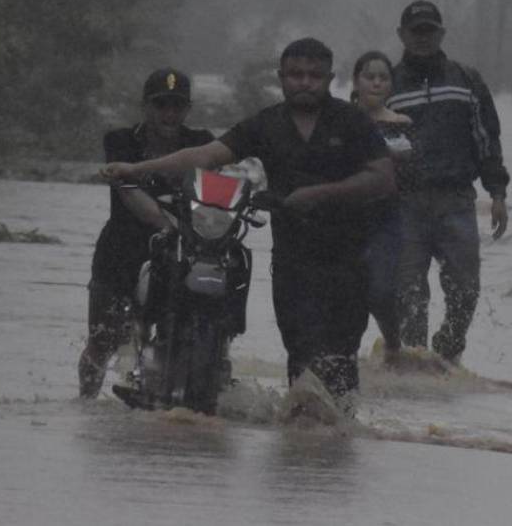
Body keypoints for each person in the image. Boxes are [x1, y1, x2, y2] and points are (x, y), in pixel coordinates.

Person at [102, 38, 395, 398]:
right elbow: (206, 156)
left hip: (347, 262)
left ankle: (335, 441)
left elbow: (383, 178)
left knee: (340, 361)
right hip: (292, 263)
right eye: (296, 74)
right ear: (282, 77)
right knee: (301, 359)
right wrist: (137, 168)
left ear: (330, 78)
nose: (305, 82)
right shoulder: (267, 124)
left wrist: (321, 194)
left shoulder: (352, 122)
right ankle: (302, 441)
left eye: (314, 76)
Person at [79, 68, 215, 399]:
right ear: (145, 106)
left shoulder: (201, 143)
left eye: (177, 106)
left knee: (177, 332)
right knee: (103, 338)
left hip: (180, 253)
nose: (169, 114)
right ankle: (85, 400)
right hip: (122, 251)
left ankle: (167, 400)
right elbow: (128, 193)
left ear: (187, 109)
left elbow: (211, 192)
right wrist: (168, 224)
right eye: (161, 105)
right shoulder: (120, 141)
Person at [386, 0, 509, 364]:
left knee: (466, 289)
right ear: (401, 35)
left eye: (429, 31)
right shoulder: (386, 85)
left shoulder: (466, 80)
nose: (422, 38)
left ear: (441, 33)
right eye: (415, 31)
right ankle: (415, 365)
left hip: (456, 200)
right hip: (404, 204)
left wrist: (498, 193)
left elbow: (488, 138)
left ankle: (448, 350)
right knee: (409, 294)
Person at [350, 50, 414, 364]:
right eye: (369, 76)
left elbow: (414, 174)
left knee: (381, 289)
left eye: (383, 77)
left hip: (387, 218)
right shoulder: (340, 121)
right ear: (356, 82)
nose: (376, 83)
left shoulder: (403, 124)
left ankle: (393, 345)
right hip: (343, 217)